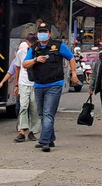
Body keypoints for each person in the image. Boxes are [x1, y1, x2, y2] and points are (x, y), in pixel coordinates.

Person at [23, 22, 78, 152]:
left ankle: (44, 141)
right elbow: (25, 64)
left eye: (45, 32)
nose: (42, 34)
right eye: (40, 32)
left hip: (54, 84)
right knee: (42, 113)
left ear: (49, 34)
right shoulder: (34, 48)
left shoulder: (58, 46)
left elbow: (71, 58)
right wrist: (36, 60)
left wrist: (74, 74)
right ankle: (50, 138)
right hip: (39, 84)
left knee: (48, 113)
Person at [13, 33, 40, 143]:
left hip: (35, 83)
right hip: (24, 83)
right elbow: (17, 69)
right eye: (30, 42)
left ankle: (32, 131)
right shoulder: (21, 53)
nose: (31, 44)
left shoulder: (39, 52)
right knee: (23, 106)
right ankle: (22, 131)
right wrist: (16, 85)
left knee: (34, 108)